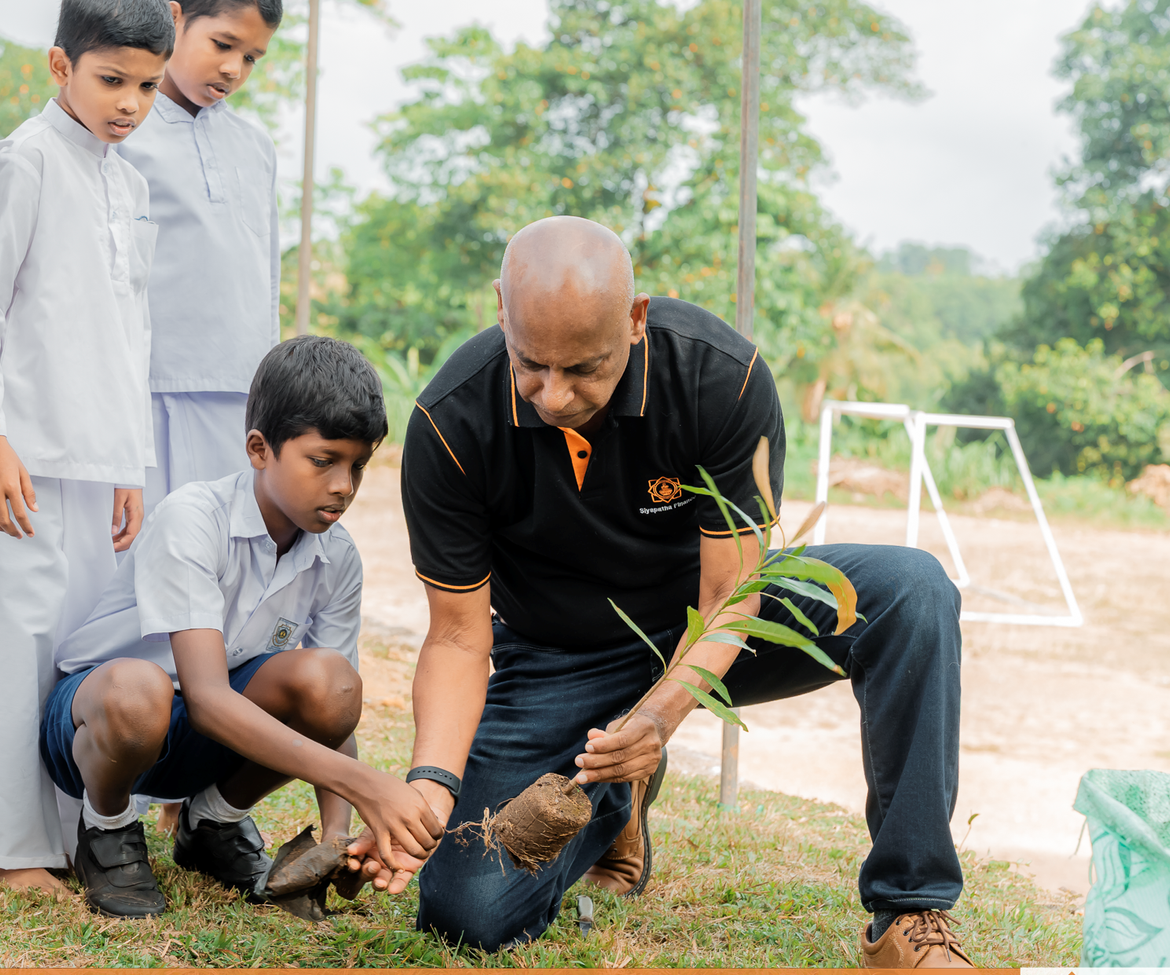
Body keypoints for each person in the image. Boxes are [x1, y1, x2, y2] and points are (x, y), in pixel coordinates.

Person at [389, 216, 974, 967]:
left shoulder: (718, 377)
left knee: (913, 590)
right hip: (561, 652)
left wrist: (660, 716)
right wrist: (431, 787)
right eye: (531, 365)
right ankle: (612, 801)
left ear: (635, 321)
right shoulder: (449, 423)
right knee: (463, 910)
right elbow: (459, 638)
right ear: (501, 307)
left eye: (584, 369)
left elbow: (733, 591)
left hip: (717, 618)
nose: (554, 394)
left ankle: (908, 911)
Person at [43, 336, 443, 917]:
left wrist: (336, 839)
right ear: (260, 449)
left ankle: (211, 825)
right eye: (323, 460)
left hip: (210, 740)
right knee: (140, 691)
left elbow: (335, 715)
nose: (343, 486)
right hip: (104, 727)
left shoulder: (338, 556)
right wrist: (367, 784)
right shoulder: (193, 520)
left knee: (331, 682)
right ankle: (106, 829)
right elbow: (203, 699)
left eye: (357, 466)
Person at [0, 0, 172, 894]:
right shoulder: (23, 161)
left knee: (76, 653)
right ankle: (2, 848)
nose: (130, 102)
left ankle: (74, 830)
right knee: (17, 647)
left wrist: (132, 466)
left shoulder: (130, 182)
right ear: (60, 68)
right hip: (28, 456)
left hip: (102, 462)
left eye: (148, 86)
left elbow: (132, 335)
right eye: (111, 79)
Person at [116, 0, 283, 515]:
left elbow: (269, 275)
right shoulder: (122, 132)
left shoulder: (255, 145)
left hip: (241, 394)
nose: (234, 68)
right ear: (176, 18)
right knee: (145, 556)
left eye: (252, 57)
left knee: (225, 557)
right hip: (152, 390)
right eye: (224, 44)